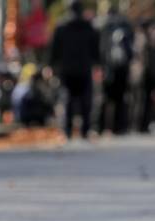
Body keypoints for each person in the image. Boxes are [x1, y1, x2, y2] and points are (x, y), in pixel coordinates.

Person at [49, 1, 99, 139]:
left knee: (67, 99)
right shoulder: (88, 26)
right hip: (84, 68)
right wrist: (97, 64)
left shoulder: (61, 26)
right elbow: (95, 49)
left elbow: (54, 50)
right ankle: (85, 130)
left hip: (67, 69)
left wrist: (52, 65)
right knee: (85, 101)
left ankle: (68, 130)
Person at [98, 6, 134, 134]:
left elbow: (100, 49)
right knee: (121, 98)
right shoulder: (126, 25)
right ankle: (120, 126)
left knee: (105, 99)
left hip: (107, 68)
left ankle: (103, 126)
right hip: (122, 69)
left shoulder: (103, 26)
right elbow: (131, 49)